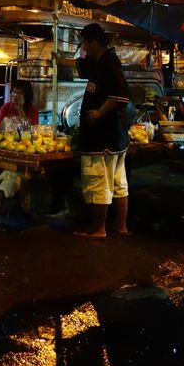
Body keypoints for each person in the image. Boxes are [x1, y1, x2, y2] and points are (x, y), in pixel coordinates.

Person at [62, 23, 131, 240]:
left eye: (84, 42)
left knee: (98, 182)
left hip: (103, 137)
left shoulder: (108, 62)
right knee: (118, 183)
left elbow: (121, 93)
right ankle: (120, 227)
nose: (83, 47)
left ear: (92, 42)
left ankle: (98, 228)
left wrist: (100, 112)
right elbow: (79, 65)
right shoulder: (99, 61)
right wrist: (57, 59)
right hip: (115, 138)